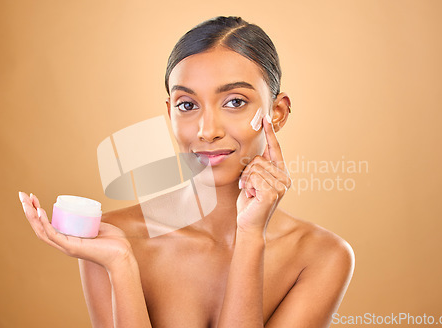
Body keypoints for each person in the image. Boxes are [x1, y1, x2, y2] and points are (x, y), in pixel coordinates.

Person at [19, 16, 354, 328]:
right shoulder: (114, 239)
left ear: (277, 113)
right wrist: (121, 265)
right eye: (187, 105)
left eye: (235, 101)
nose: (207, 131)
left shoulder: (322, 256)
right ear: (170, 113)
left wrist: (250, 237)